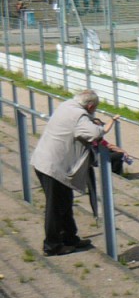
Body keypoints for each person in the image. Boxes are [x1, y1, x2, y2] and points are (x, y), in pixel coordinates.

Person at [30, 90, 118, 256]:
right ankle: (52, 245)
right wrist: (102, 125)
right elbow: (95, 133)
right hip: (54, 167)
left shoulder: (67, 105)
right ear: (90, 106)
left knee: (64, 202)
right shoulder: (80, 117)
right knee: (56, 207)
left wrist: (91, 120)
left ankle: (70, 238)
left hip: (45, 162)